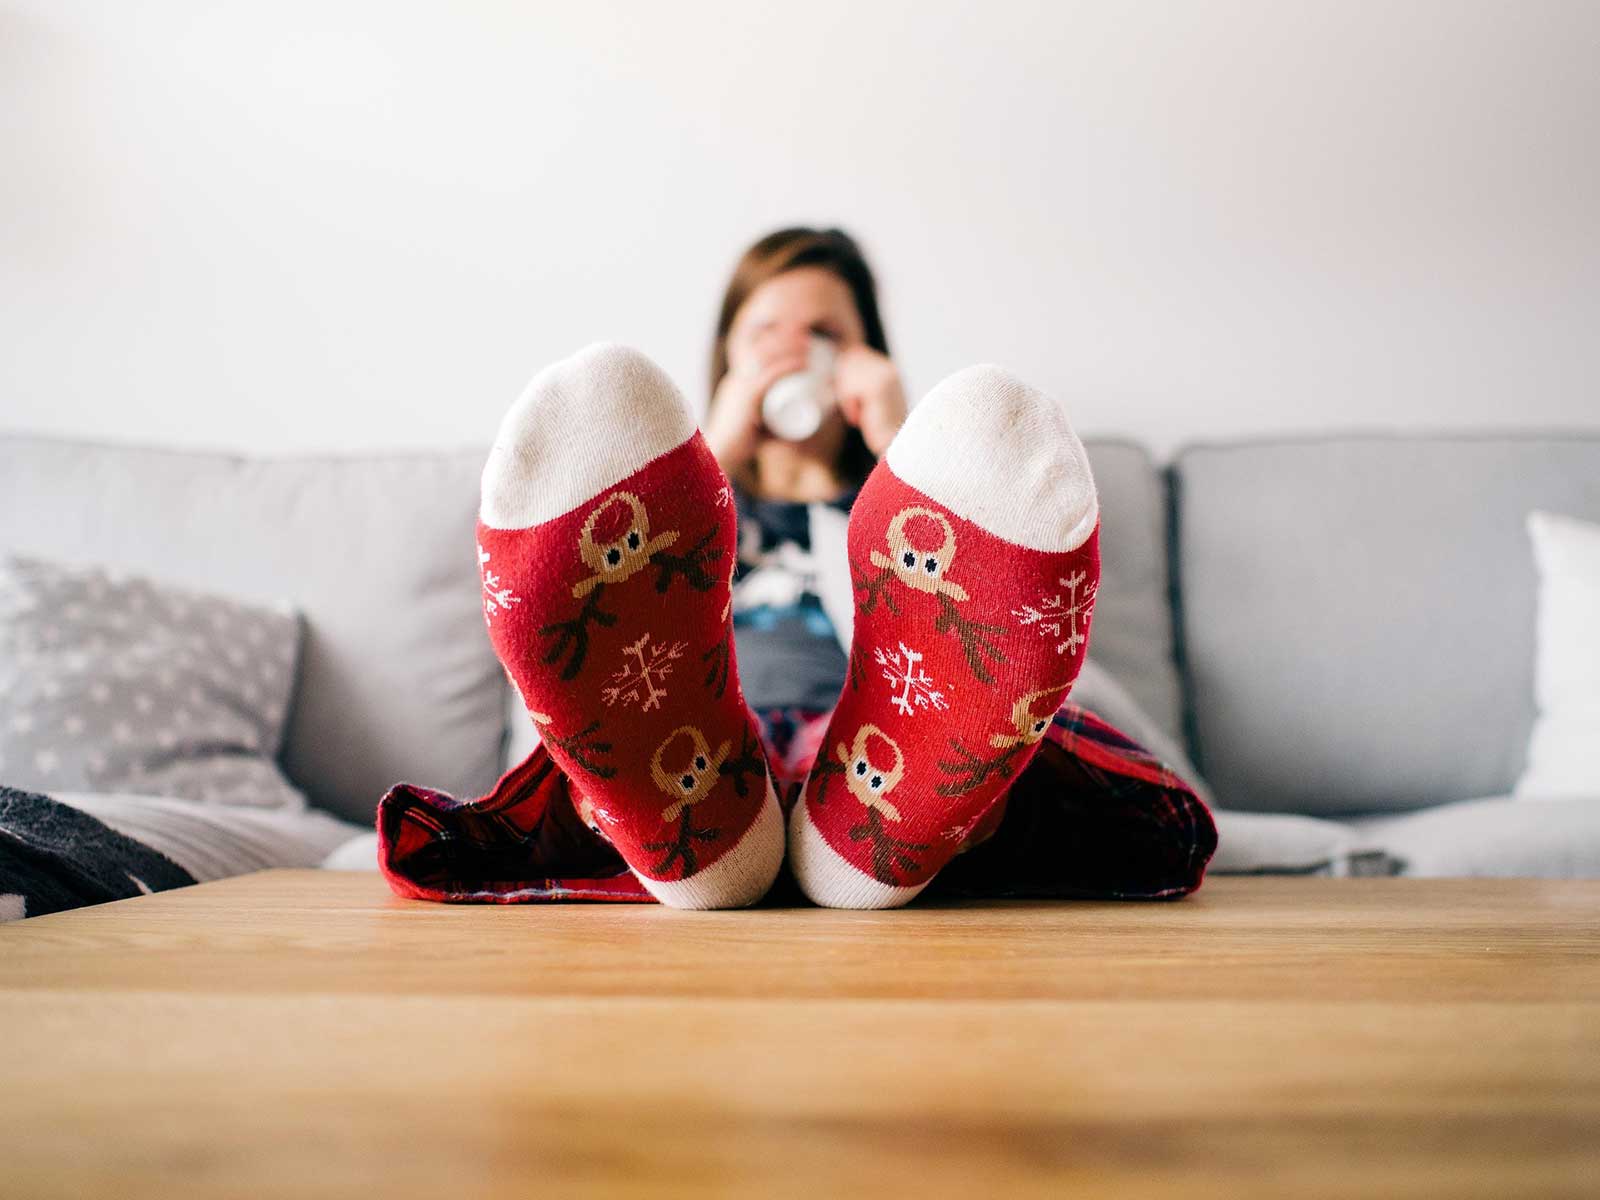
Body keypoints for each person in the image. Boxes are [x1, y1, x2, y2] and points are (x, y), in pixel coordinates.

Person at [376, 227, 1216, 910]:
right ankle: (729, 833)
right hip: (695, 735)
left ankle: (850, 831)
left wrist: (899, 441)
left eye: (827, 337)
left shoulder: (925, 510)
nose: (796, 356)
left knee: (988, 748)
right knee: (617, 750)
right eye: (767, 336)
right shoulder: (679, 509)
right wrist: (714, 454)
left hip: (884, 736)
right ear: (726, 363)